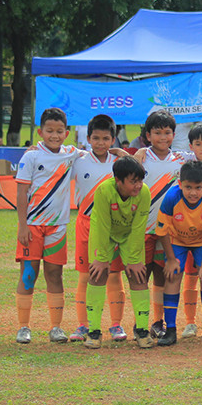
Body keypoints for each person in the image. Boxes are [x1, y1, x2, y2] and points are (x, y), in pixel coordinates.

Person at [13, 107, 79, 344]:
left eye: (59, 131)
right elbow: (21, 192)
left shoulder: (72, 154)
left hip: (58, 227)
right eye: (49, 131)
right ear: (40, 131)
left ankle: (56, 327)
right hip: (32, 226)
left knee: (55, 274)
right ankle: (23, 327)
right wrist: (22, 225)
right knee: (29, 274)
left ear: (67, 133)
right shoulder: (31, 157)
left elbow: (98, 153)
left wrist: (123, 151)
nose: (54, 135)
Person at [83, 156, 154, 349]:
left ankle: (141, 330)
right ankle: (94, 331)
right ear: (118, 180)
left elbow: (139, 228)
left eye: (140, 180)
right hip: (104, 234)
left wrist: (134, 260)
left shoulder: (144, 193)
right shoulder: (104, 190)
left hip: (130, 234)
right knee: (98, 274)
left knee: (138, 275)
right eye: (133, 181)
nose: (138, 185)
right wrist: (101, 258)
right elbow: (102, 226)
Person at [69, 115, 127, 344]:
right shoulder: (78, 160)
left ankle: (116, 325)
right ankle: (84, 325)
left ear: (113, 139)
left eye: (105, 138)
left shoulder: (119, 164)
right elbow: (55, 156)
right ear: (88, 138)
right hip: (86, 224)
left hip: (113, 229)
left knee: (114, 276)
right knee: (86, 277)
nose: (101, 143)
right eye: (96, 138)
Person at [155, 160, 202, 346]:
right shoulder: (171, 197)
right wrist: (171, 260)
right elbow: (162, 232)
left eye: (198, 187)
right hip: (177, 241)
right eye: (188, 187)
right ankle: (170, 330)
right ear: (179, 184)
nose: (193, 192)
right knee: (173, 276)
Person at [136, 110, 185, 340]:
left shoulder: (182, 161)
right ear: (148, 135)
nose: (162, 137)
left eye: (167, 133)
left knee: (162, 276)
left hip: (169, 232)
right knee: (140, 275)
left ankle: (158, 321)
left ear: (173, 135)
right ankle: (140, 322)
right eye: (157, 133)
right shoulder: (141, 158)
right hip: (143, 228)